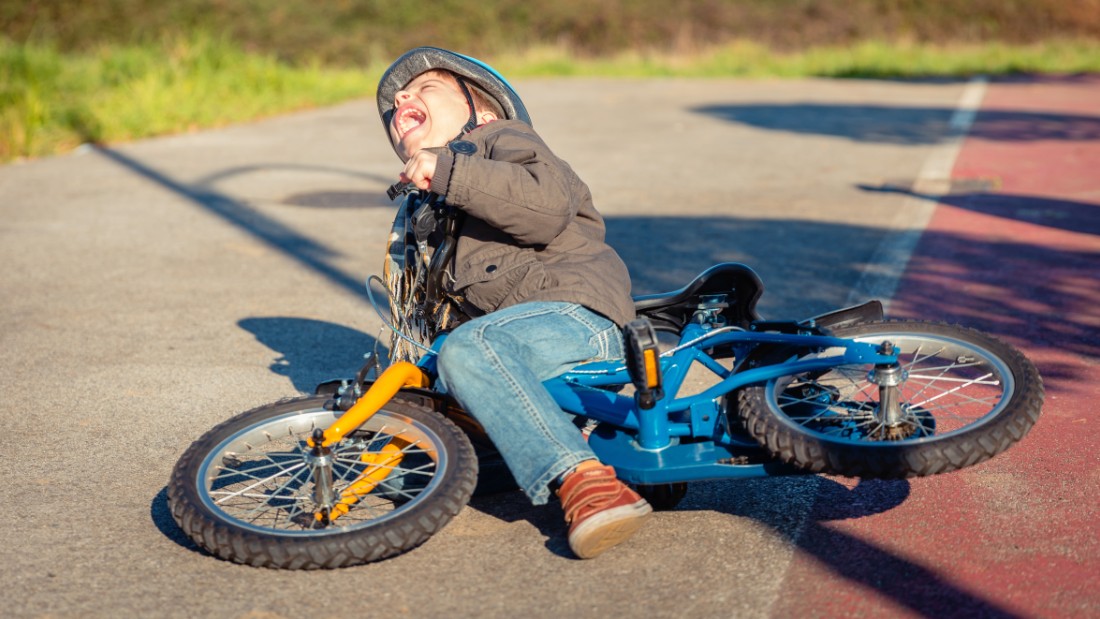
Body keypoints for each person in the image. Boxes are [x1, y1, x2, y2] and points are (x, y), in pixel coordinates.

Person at [376, 47, 651, 559]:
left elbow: (543, 208)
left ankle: (586, 481)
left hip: (574, 313)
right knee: (411, 471)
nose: (401, 99)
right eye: (394, 107)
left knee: (468, 350)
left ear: (481, 111)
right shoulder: (430, 209)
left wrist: (450, 172)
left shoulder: (502, 140)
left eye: (426, 88)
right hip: (507, 343)